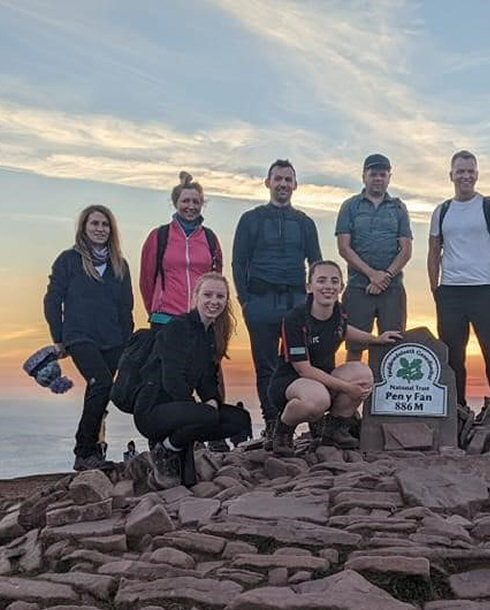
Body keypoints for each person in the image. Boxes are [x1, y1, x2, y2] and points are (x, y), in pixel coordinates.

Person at [270, 260, 402, 457]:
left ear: (341, 287)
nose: (328, 286)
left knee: (363, 373)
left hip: (323, 379)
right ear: (309, 286)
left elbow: (344, 331)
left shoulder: (338, 311)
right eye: (321, 281)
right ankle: (282, 430)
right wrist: (348, 389)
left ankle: (333, 430)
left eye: (334, 281)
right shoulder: (295, 318)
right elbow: (304, 370)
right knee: (317, 400)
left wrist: (377, 339)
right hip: (292, 383)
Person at [133, 272, 250, 488]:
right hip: (153, 410)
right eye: (208, 295)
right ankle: (165, 450)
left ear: (226, 300)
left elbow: (206, 378)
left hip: (182, 409)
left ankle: (173, 447)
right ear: (195, 297)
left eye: (220, 296)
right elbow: (171, 379)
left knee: (239, 419)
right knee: (206, 415)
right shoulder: (178, 328)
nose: (214, 301)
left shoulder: (210, 335)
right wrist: (200, 411)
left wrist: (212, 400)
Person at [232, 159, 322, 437]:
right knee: (266, 366)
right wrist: (245, 301)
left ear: (295, 185)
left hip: (296, 301)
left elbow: (315, 262)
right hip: (260, 301)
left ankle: (311, 421)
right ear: (268, 183)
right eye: (278, 179)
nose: (283, 184)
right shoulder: (251, 219)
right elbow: (238, 261)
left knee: (305, 362)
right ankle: (273, 423)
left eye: (288, 179)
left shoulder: (305, 222)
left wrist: (313, 301)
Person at [44, 205, 133, 471]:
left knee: (101, 391)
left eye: (105, 225)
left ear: (111, 230)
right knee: (101, 383)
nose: (100, 229)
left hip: (114, 340)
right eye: (94, 224)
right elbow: (52, 300)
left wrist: (127, 341)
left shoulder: (120, 264)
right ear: (84, 227)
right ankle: (84, 452)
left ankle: (95, 448)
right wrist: (58, 337)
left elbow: (125, 306)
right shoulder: (68, 260)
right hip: (79, 336)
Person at [427, 150, 490, 413]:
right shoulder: (442, 211)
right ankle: (457, 408)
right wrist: (436, 288)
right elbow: (433, 252)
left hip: (484, 290)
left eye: (470, 171)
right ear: (451, 175)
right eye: (460, 171)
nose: (466, 176)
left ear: (476, 174)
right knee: (453, 356)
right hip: (451, 291)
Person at [336, 154, 412, 362]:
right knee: (355, 347)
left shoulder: (398, 208)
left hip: (392, 288)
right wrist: (372, 275)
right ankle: (355, 393)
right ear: (364, 176)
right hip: (359, 287)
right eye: (373, 174)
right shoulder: (350, 206)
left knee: (393, 347)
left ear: (389, 177)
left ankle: (383, 394)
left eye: (382, 174)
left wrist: (385, 276)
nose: (378, 178)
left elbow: (405, 250)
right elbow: (344, 247)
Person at [139, 171, 223, 329]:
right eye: (185, 201)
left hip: (201, 319)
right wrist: (153, 309)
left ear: (201, 205)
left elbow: (217, 281)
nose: (191, 206)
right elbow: (146, 279)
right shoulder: (159, 236)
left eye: (196, 202)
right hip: (165, 319)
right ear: (175, 203)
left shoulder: (210, 238)